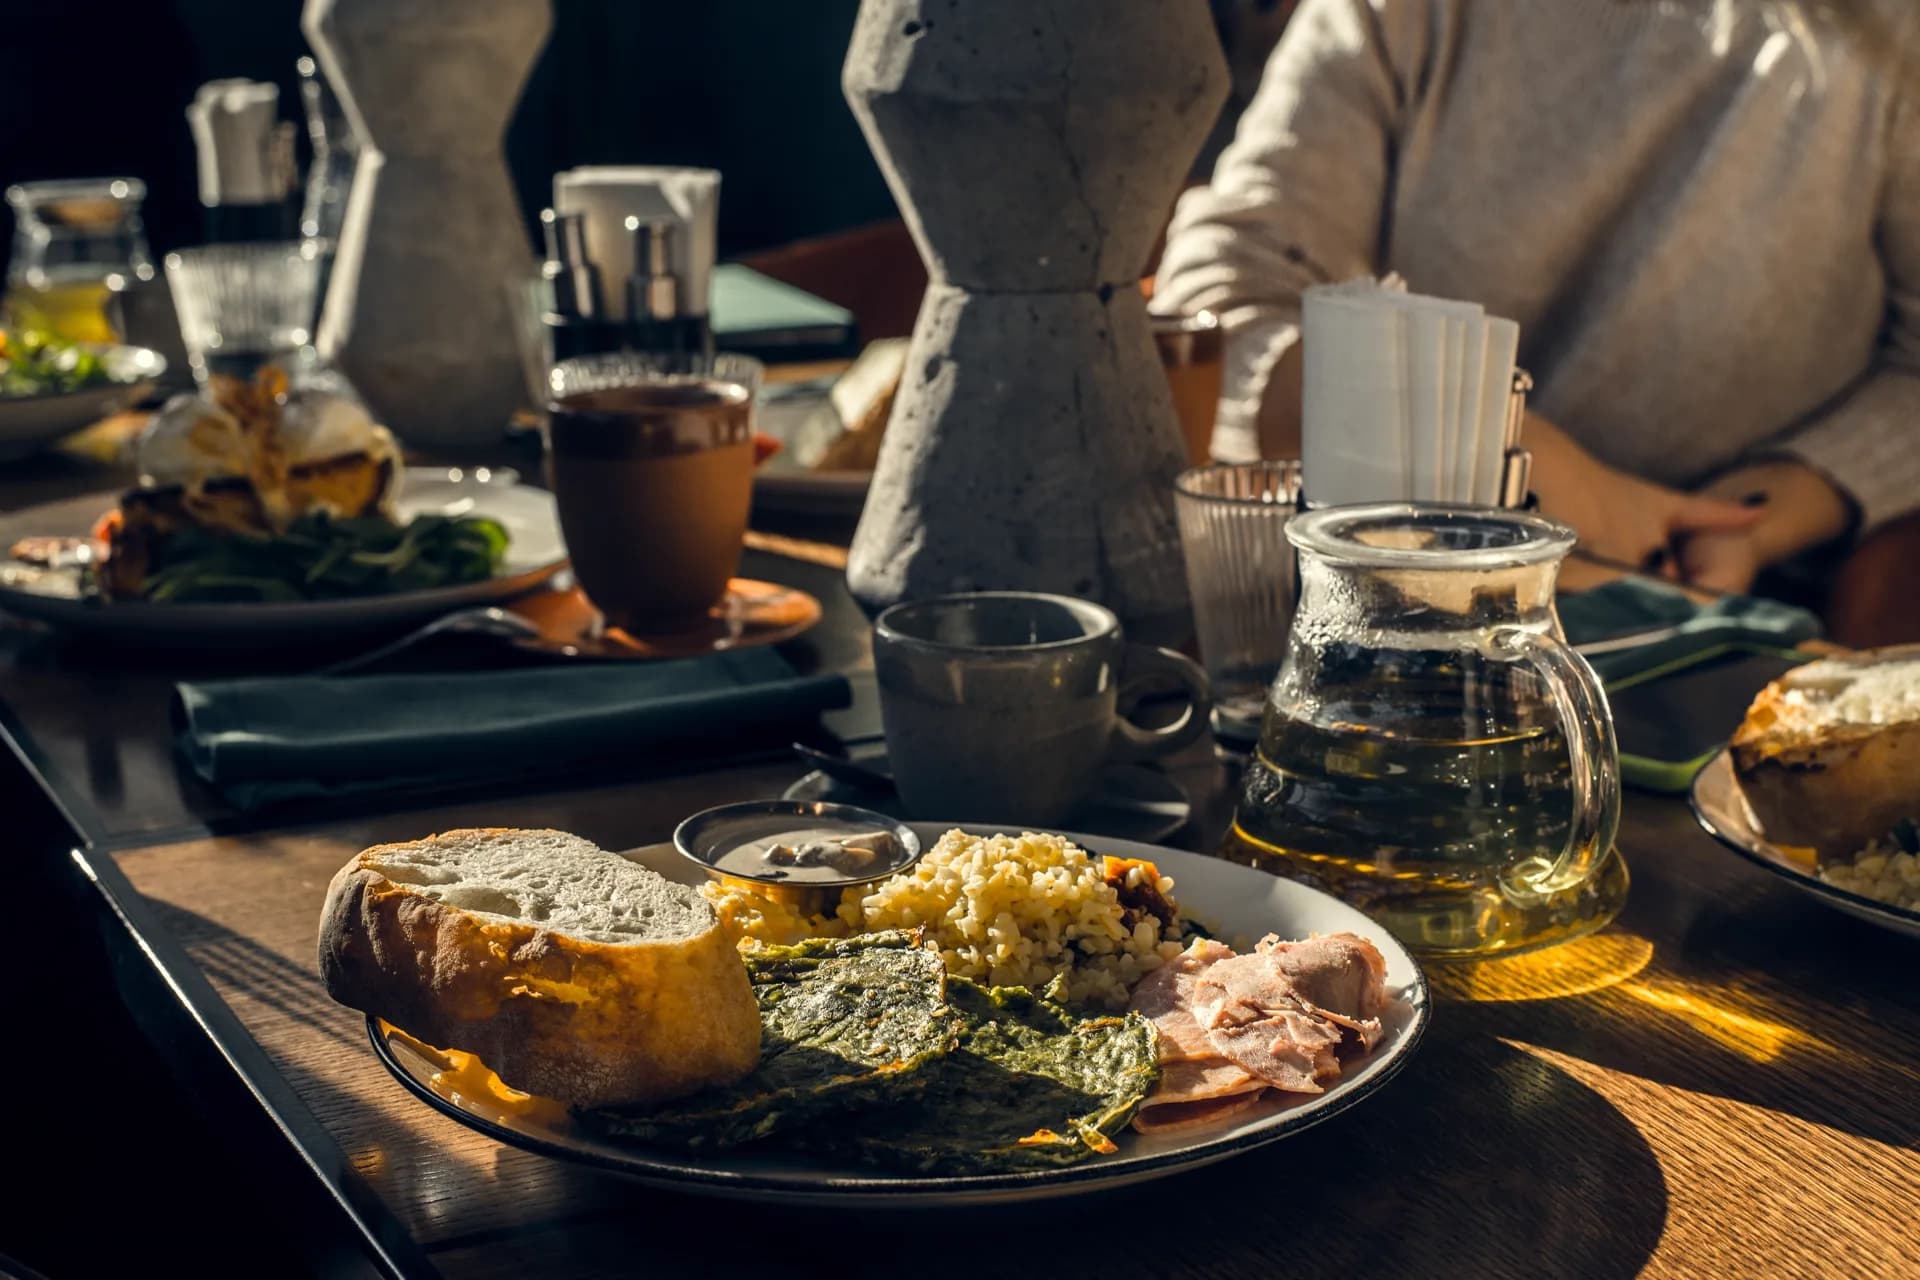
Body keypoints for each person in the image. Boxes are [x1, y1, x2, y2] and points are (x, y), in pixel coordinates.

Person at [1152, 0, 1920, 596]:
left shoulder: (1891, 34)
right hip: (1410, 592)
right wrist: (1497, 459)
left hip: (1725, 611)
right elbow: (1224, 293)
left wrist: (1748, 520)